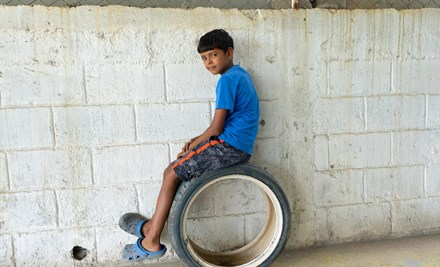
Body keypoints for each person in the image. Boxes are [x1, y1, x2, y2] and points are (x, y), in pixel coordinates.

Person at [120, 29, 260, 262]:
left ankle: (152, 239)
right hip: (234, 143)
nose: (208, 62)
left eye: (213, 55)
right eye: (204, 58)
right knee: (177, 167)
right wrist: (197, 141)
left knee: (171, 173)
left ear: (229, 52)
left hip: (230, 147)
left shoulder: (227, 80)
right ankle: (151, 227)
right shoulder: (240, 75)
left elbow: (216, 129)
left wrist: (197, 143)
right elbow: (222, 125)